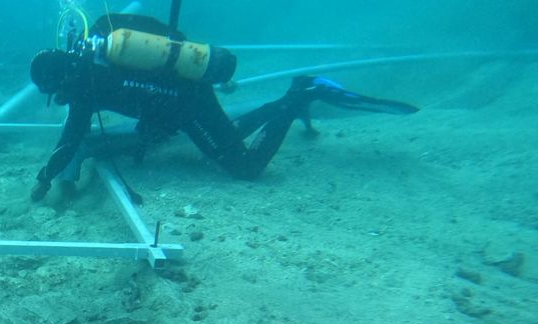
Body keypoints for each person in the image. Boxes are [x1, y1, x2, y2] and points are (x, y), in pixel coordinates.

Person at [29, 13, 419, 201]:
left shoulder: (84, 89)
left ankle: (301, 95)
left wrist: (45, 178)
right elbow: (171, 38)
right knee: (223, 137)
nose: (61, 100)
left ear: (60, 82)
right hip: (184, 95)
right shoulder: (102, 40)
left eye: (55, 94)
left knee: (244, 167)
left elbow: (70, 140)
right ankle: (292, 99)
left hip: (187, 105)